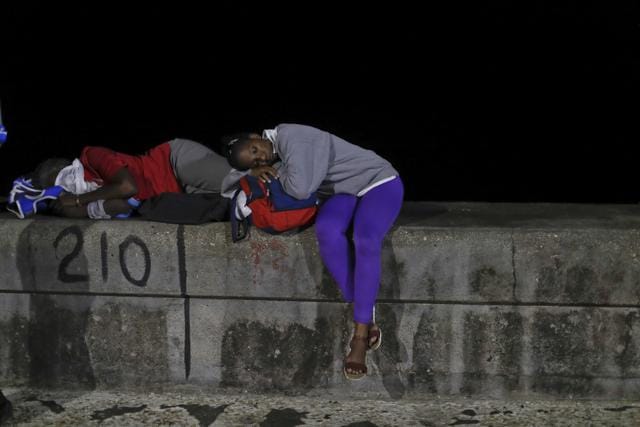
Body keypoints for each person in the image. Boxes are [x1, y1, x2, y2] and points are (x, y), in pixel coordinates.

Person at [223, 123, 403, 380]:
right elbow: (225, 184)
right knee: (327, 231)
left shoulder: (293, 137)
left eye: (255, 149)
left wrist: (272, 172)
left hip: (378, 182)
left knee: (365, 238)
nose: (261, 157)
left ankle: (360, 336)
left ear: (256, 136)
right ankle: (366, 311)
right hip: (343, 191)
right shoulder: (274, 155)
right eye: (254, 159)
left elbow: (299, 189)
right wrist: (254, 171)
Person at [29, 138, 232, 219]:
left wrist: (78, 200)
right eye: (63, 188)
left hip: (174, 164)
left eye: (63, 176)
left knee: (239, 181)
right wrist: (67, 208)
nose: (69, 185)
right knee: (241, 202)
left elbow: (127, 187)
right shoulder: (90, 194)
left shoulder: (92, 155)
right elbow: (121, 205)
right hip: (180, 195)